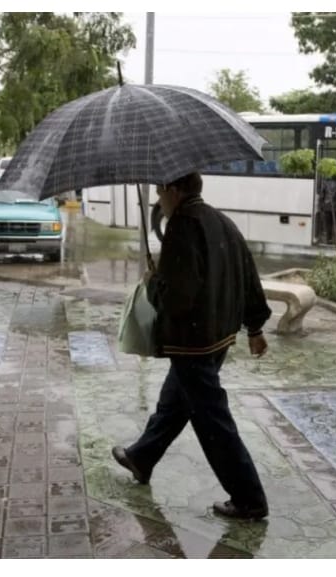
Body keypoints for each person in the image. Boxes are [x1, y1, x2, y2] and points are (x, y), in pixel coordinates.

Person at [112, 171, 272, 520]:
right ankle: (142, 457)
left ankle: (249, 498)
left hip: (192, 342)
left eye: (159, 191)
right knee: (175, 401)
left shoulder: (183, 226)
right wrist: (255, 326)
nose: (157, 200)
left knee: (212, 419)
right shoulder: (220, 219)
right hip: (219, 337)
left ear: (172, 189)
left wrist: (154, 283)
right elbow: (249, 273)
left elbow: (178, 300)